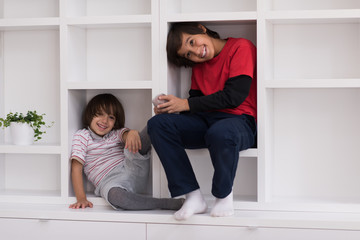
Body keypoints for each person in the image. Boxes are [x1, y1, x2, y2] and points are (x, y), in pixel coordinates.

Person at [147, 22, 257, 220]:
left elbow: (234, 97)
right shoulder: (199, 67)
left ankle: (223, 196)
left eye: (192, 42)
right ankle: (193, 196)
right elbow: (194, 110)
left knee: (220, 132)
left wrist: (185, 104)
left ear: (201, 29)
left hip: (240, 121)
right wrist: (169, 107)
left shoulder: (241, 47)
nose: (196, 52)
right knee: (158, 124)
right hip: (207, 121)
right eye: (188, 54)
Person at [69, 93, 184, 211]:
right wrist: (81, 198)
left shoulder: (114, 133)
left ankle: (167, 119)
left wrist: (131, 133)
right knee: (116, 197)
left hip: (132, 167)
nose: (105, 121)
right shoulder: (82, 136)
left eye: (111, 117)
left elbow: (125, 135)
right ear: (90, 115)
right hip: (109, 182)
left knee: (148, 130)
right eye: (99, 114)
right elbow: (76, 168)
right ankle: (164, 204)